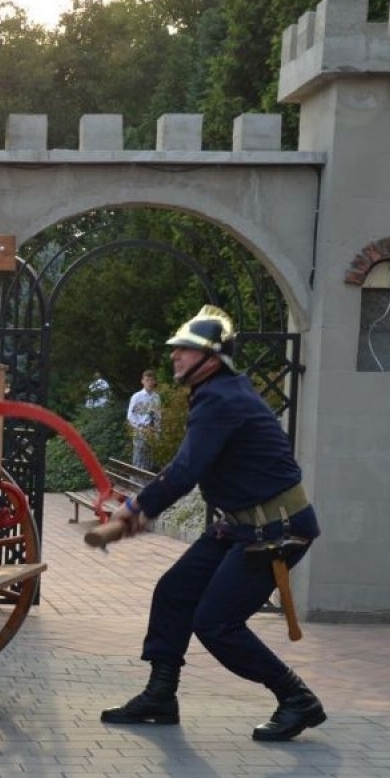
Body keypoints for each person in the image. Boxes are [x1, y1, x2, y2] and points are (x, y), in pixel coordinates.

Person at [101, 305, 326, 742]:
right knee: (174, 591)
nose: (175, 356)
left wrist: (135, 510)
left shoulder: (221, 399)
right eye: (177, 349)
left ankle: (297, 698)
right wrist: (140, 507)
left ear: (213, 358)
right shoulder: (217, 395)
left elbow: (185, 471)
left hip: (276, 530)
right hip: (243, 526)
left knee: (216, 623)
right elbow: (189, 466)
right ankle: (161, 696)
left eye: (186, 350)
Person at [125, 369, 162, 469]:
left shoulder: (156, 397)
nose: (149, 383)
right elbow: (130, 416)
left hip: (152, 431)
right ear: (142, 381)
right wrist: (141, 428)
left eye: (151, 380)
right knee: (139, 459)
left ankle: (147, 483)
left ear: (154, 382)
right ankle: (135, 482)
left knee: (150, 460)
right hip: (140, 430)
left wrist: (157, 432)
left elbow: (158, 416)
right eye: (147, 380)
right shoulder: (137, 397)